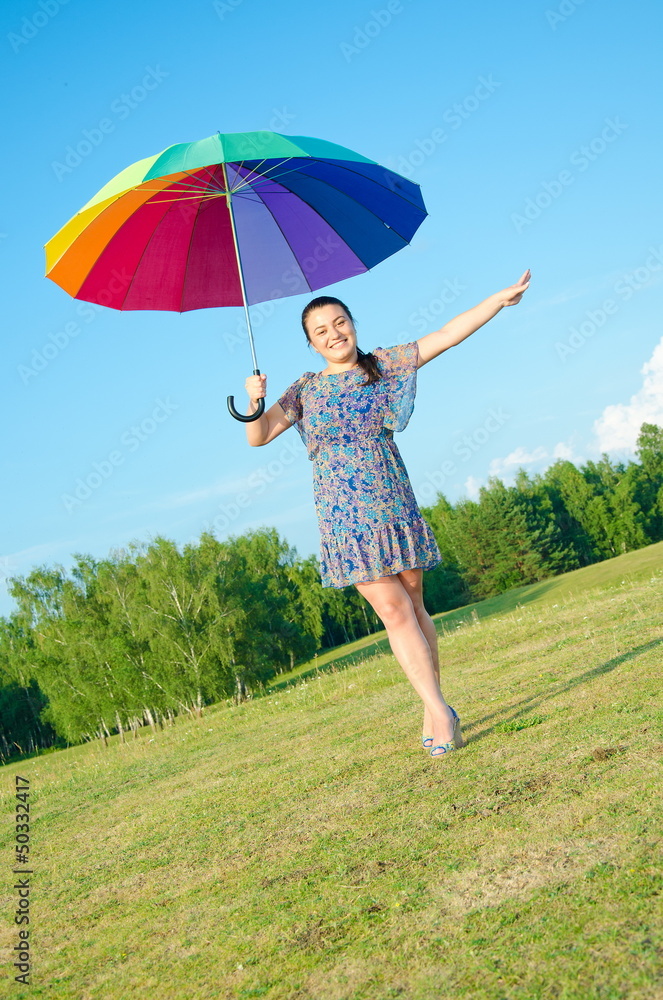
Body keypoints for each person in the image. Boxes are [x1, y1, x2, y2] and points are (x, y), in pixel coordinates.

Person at [244, 270, 531, 758]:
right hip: (344, 517)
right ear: (311, 344)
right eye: (321, 331)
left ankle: (432, 708)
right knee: (393, 611)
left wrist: (496, 301)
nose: (334, 334)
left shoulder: (384, 365)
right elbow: (259, 435)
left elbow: (445, 335)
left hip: (392, 501)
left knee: (415, 606)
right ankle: (442, 712)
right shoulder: (304, 391)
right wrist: (255, 401)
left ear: (353, 324)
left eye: (340, 323)